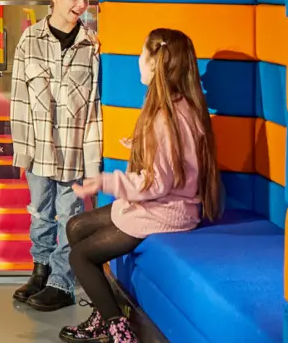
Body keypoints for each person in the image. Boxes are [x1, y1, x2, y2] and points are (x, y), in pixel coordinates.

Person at [59, 29, 222, 343]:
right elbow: (176, 156)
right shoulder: (183, 107)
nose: (138, 59)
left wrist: (106, 182)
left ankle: (119, 330)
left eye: (141, 54)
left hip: (165, 212)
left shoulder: (165, 119)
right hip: (172, 204)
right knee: (77, 226)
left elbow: (155, 183)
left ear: (153, 64)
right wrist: (142, 144)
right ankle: (103, 313)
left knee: (79, 256)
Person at [10, 0, 101, 312]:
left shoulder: (91, 46)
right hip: (38, 149)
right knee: (40, 213)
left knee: (69, 217)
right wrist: (23, 151)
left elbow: (93, 108)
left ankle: (62, 282)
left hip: (74, 151)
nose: (81, 4)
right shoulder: (29, 40)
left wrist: (92, 163)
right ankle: (41, 269)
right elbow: (18, 98)